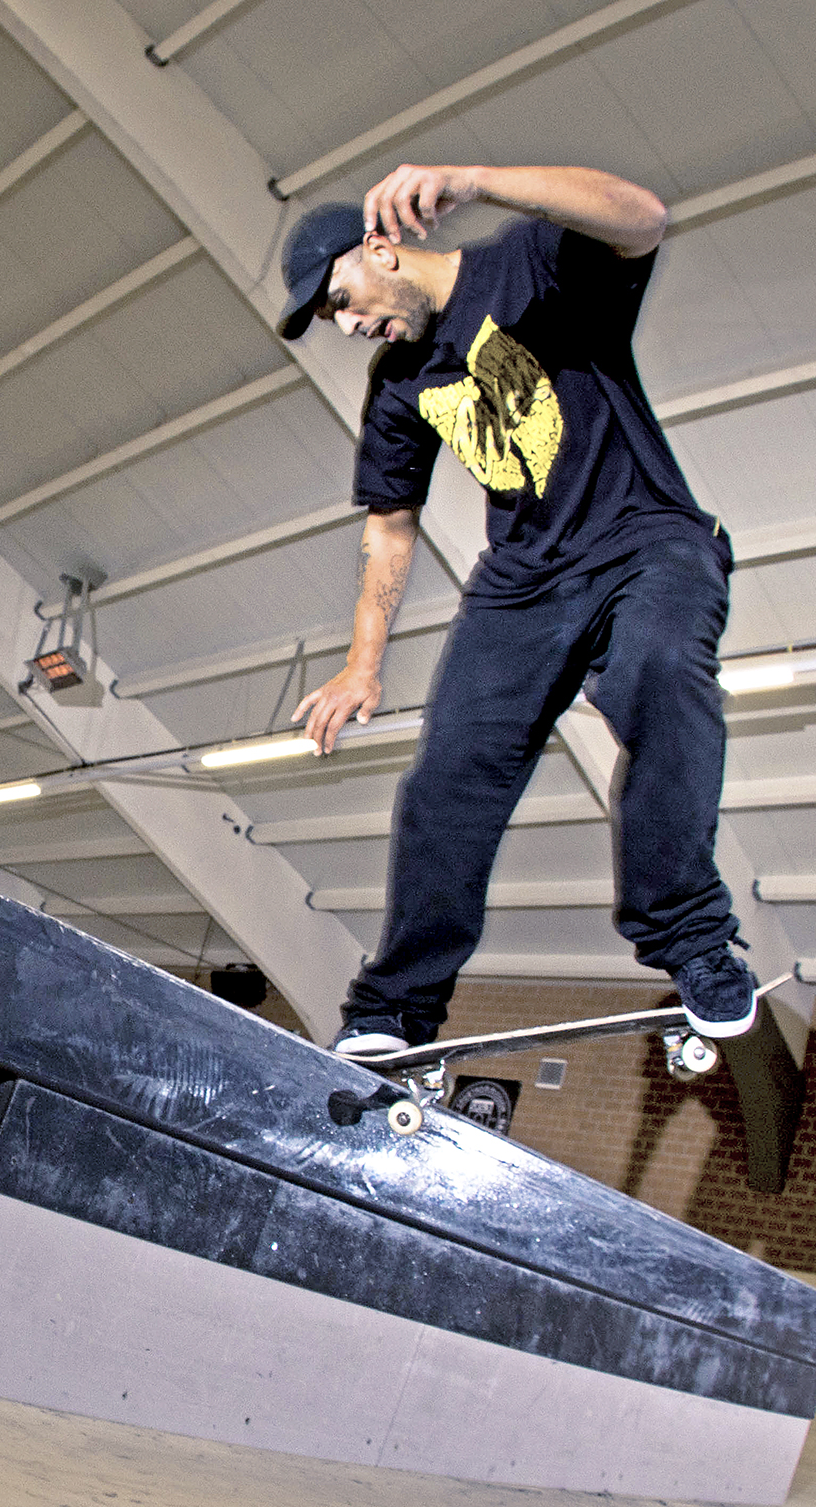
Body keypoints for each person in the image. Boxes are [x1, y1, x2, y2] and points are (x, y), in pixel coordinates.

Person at [272, 163, 757, 1056]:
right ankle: (394, 1011)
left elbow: (645, 216)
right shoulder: (396, 384)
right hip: (523, 583)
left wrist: (480, 179)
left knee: (659, 674)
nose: (350, 326)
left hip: (646, 537)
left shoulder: (530, 263)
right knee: (445, 779)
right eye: (335, 321)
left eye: (344, 300)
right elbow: (390, 528)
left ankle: (692, 937)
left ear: (382, 249)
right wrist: (363, 661)